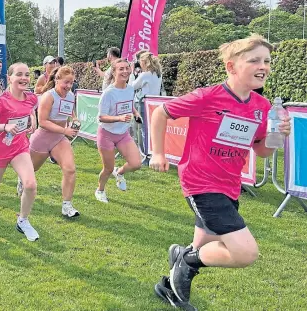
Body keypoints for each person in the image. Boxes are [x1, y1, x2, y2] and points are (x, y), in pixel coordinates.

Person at [149, 35, 291, 309]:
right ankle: (186, 261)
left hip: (229, 185)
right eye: (254, 60)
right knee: (245, 253)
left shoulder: (263, 108)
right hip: (201, 184)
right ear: (231, 67)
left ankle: (171, 283)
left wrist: (277, 138)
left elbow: (261, 151)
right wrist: (158, 152)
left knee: (203, 246)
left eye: (267, 61)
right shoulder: (207, 96)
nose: (263, 66)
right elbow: (161, 113)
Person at [0, 62, 39, 241]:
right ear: (9, 78)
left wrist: (32, 119)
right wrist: (4, 126)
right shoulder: (1, 101)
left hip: (20, 147)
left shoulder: (32, 98)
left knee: (30, 185)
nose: (24, 78)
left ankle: (23, 221)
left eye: (27, 75)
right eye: (19, 74)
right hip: (0, 149)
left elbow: (29, 110)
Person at [28, 66, 81, 217]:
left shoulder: (70, 95)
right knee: (31, 170)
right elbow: (43, 121)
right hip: (42, 138)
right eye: (66, 82)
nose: (69, 86)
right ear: (57, 80)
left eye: (71, 82)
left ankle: (67, 205)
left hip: (59, 139)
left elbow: (70, 111)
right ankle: (21, 180)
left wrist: (75, 120)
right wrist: (65, 130)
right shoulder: (48, 96)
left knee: (70, 169)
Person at [95, 59, 143, 203]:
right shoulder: (108, 93)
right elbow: (101, 117)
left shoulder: (130, 89)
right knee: (107, 169)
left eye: (127, 68)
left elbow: (129, 104)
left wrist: (135, 113)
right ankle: (100, 190)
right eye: (120, 69)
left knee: (136, 164)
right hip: (106, 135)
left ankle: (120, 172)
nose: (125, 71)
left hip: (123, 134)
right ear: (114, 72)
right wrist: (119, 118)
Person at [129, 52, 163, 151]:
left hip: (142, 104)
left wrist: (132, 73)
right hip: (154, 104)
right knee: (151, 129)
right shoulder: (158, 74)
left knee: (143, 130)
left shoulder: (145, 75)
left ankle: (145, 153)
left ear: (144, 62)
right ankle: (151, 151)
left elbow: (131, 87)